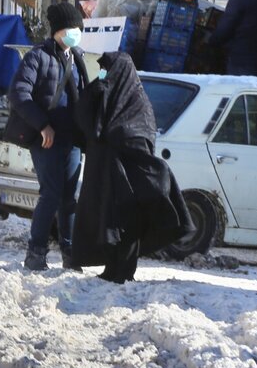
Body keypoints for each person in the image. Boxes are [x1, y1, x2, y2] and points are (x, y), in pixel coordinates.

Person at [73, 51, 194, 282]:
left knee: (128, 223)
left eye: (107, 71)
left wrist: (118, 138)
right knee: (108, 221)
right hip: (107, 179)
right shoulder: (107, 97)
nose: (103, 75)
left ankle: (124, 271)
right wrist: (92, 94)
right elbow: (87, 124)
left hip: (130, 181)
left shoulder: (136, 103)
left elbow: (139, 135)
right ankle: (112, 268)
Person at [5, 1, 90, 271]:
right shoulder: (37, 56)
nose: (77, 32)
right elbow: (18, 94)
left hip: (71, 138)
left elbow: (84, 94)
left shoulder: (76, 57)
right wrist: (42, 125)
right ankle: (36, 253)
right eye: (73, 28)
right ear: (59, 29)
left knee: (69, 197)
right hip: (46, 138)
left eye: (79, 28)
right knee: (51, 194)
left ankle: (70, 252)